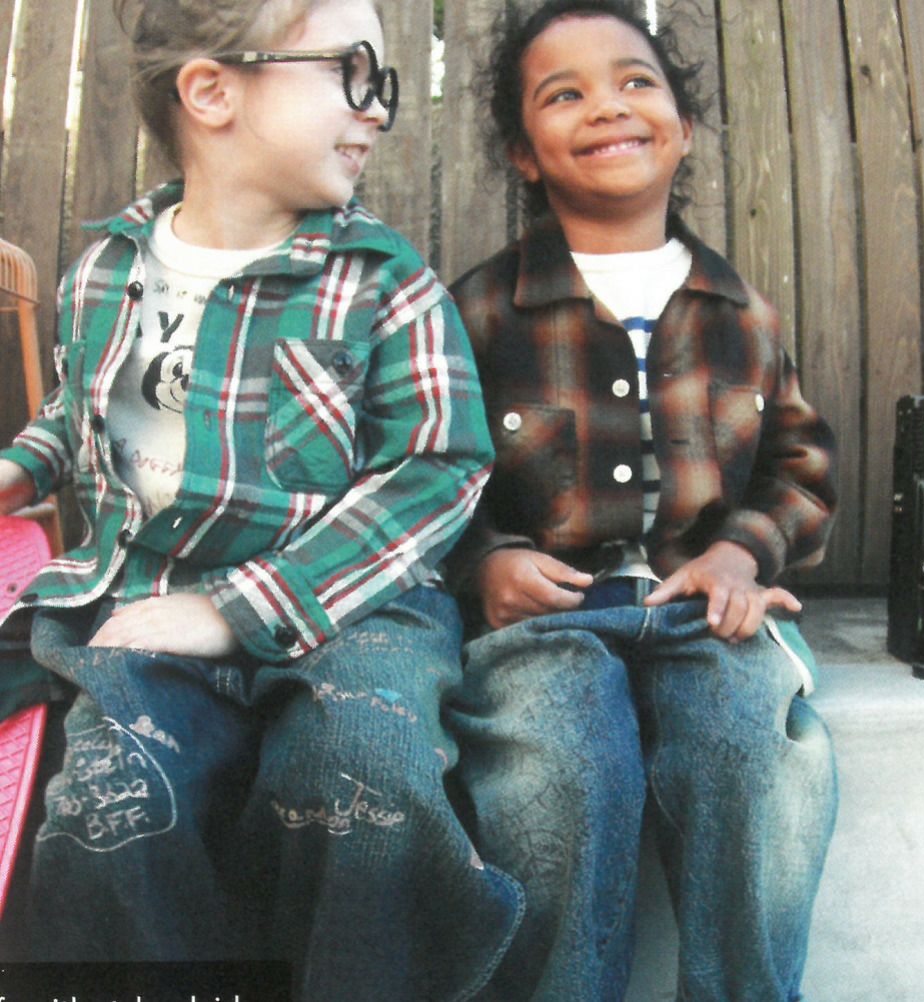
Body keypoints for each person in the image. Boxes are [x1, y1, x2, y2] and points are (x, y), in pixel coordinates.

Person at [0, 0, 524, 996]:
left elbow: (440, 469)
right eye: (351, 72)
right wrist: (22, 469)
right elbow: (81, 412)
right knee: (108, 806)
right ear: (212, 90)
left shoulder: (384, 284)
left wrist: (236, 611)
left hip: (353, 609)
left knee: (363, 778)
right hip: (146, 593)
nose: (378, 109)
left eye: (384, 84)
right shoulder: (106, 273)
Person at [445, 2, 839, 1000]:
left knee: (756, 758)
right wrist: (485, 561)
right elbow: (428, 470)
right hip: (545, 625)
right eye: (563, 94)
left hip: (708, 612)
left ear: (684, 127)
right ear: (523, 153)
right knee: (560, 769)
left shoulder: (743, 315)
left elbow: (800, 467)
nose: (606, 107)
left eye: (634, 82)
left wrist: (741, 554)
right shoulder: (476, 310)